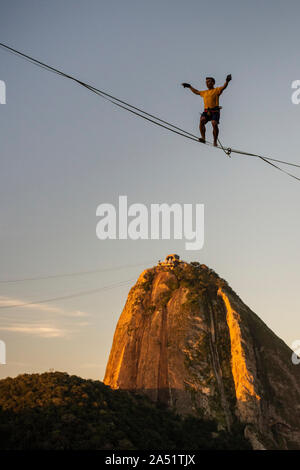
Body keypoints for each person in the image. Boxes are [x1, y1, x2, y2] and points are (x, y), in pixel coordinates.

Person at [182, 75, 232, 146]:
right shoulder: (204, 92)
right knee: (202, 120)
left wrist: (227, 81)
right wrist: (189, 86)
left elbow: (224, 87)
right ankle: (203, 138)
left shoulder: (216, 90)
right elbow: (196, 92)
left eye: (209, 81)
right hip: (206, 111)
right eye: (206, 82)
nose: (207, 83)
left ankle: (215, 141)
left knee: (214, 123)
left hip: (215, 111)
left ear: (213, 83)